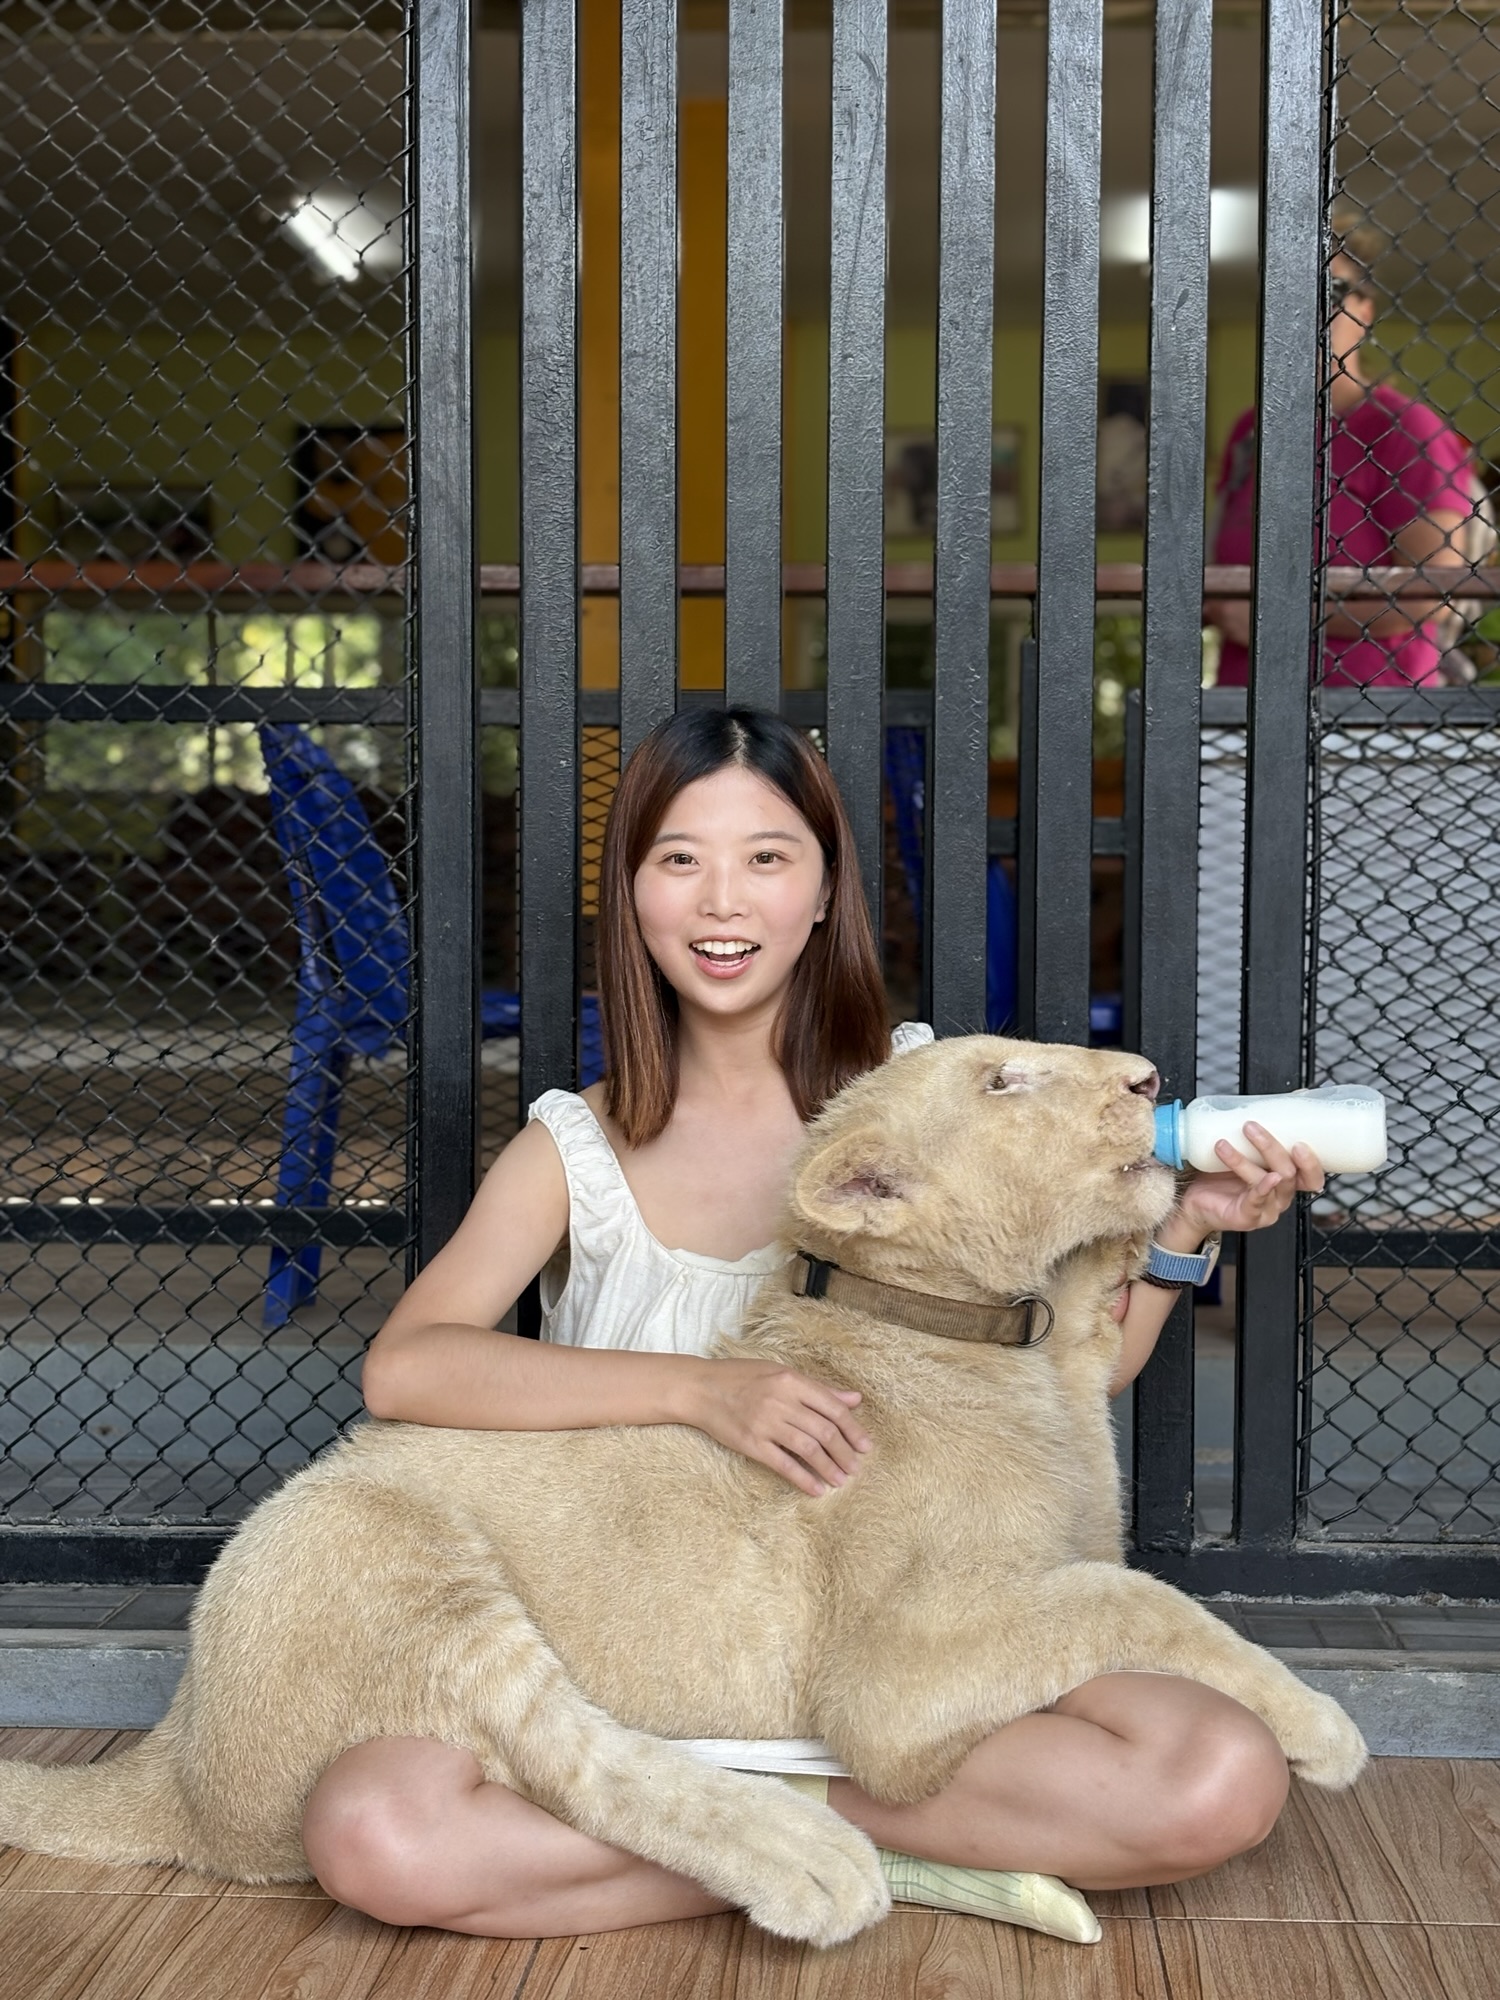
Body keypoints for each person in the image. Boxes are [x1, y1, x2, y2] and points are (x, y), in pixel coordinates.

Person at [300, 707, 1325, 1941]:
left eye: (767, 857)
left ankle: (782, 1818)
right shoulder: (579, 1142)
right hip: (623, 1661)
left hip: (897, 1649)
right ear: (630, 892)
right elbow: (408, 1367)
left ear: (828, 888)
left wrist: (1182, 1233)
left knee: (1217, 1773)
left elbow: (1068, 1377)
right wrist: (697, 1391)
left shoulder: (931, 1101)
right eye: (679, 858)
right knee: (375, 1829)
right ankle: (802, 1840)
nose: (721, 901)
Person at [1206, 217, 1473, 687]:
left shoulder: (1402, 427)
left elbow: (1432, 588)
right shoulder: (1252, 429)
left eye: (1330, 291)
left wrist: (1282, 623)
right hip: (1248, 698)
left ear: (1364, 311)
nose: (1310, 310)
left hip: (1367, 710)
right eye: (1288, 293)